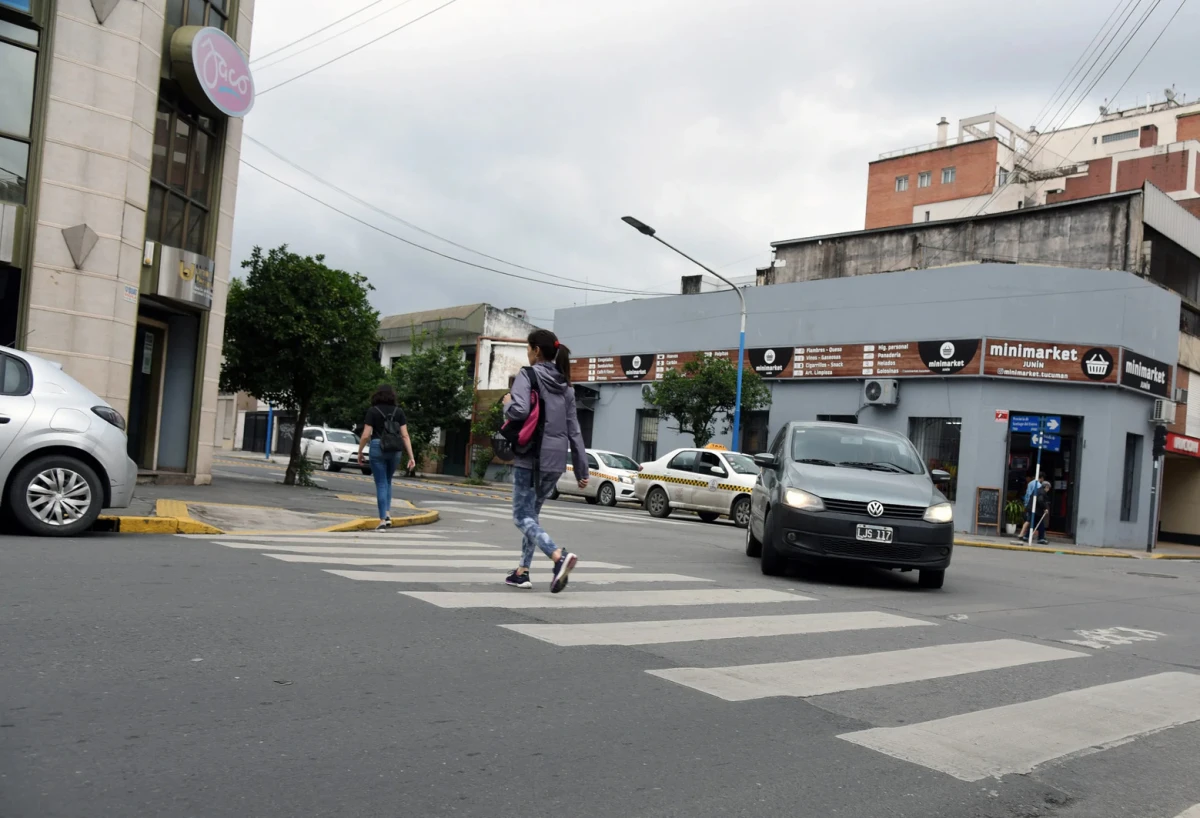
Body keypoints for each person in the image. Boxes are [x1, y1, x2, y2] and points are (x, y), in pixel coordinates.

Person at [503, 328, 588, 593]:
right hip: (554, 461)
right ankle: (522, 571)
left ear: (536, 350)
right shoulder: (567, 387)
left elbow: (519, 410)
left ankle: (558, 555)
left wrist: (506, 402)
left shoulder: (527, 375)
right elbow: (575, 430)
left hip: (530, 456)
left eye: (528, 349)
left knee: (520, 516)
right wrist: (581, 469)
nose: (527, 354)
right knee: (532, 516)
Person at [356, 384, 416, 530]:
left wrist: (360, 451)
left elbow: (366, 435)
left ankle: (383, 519)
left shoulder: (372, 411)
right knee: (388, 481)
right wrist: (411, 457)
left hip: (377, 447)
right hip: (395, 449)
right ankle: (387, 513)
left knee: (381, 483)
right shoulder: (399, 412)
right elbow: (405, 435)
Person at [1013, 470, 1051, 544]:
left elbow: (1029, 495)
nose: (1048, 490)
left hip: (1032, 508)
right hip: (1036, 510)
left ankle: (1028, 537)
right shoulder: (1041, 491)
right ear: (1046, 487)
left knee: (1034, 523)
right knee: (1035, 523)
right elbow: (1040, 500)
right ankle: (1039, 538)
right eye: (1048, 488)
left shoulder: (1036, 488)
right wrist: (1045, 508)